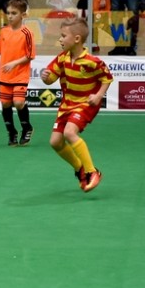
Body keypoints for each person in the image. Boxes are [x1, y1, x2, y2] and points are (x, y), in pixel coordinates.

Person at [39, 17, 112, 192]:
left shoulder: (92, 61)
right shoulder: (62, 58)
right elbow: (50, 79)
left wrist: (99, 95)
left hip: (85, 104)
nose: (60, 39)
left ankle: (92, 172)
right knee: (55, 142)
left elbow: (107, 78)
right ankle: (80, 169)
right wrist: (45, 77)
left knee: (69, 132)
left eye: (63, 36)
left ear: (77, 39)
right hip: (67, 104)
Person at [0, 0, 37, 146]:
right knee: (5, 104)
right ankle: (12, 132)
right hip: (5, 75)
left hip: (20, 75)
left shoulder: (27, 33)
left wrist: (14, 63)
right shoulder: (4, 31)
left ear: (23, 15)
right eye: (8, 13)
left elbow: (30, 55)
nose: (10, 16)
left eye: (14, 13)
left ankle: (27, 127)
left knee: (18, 102)